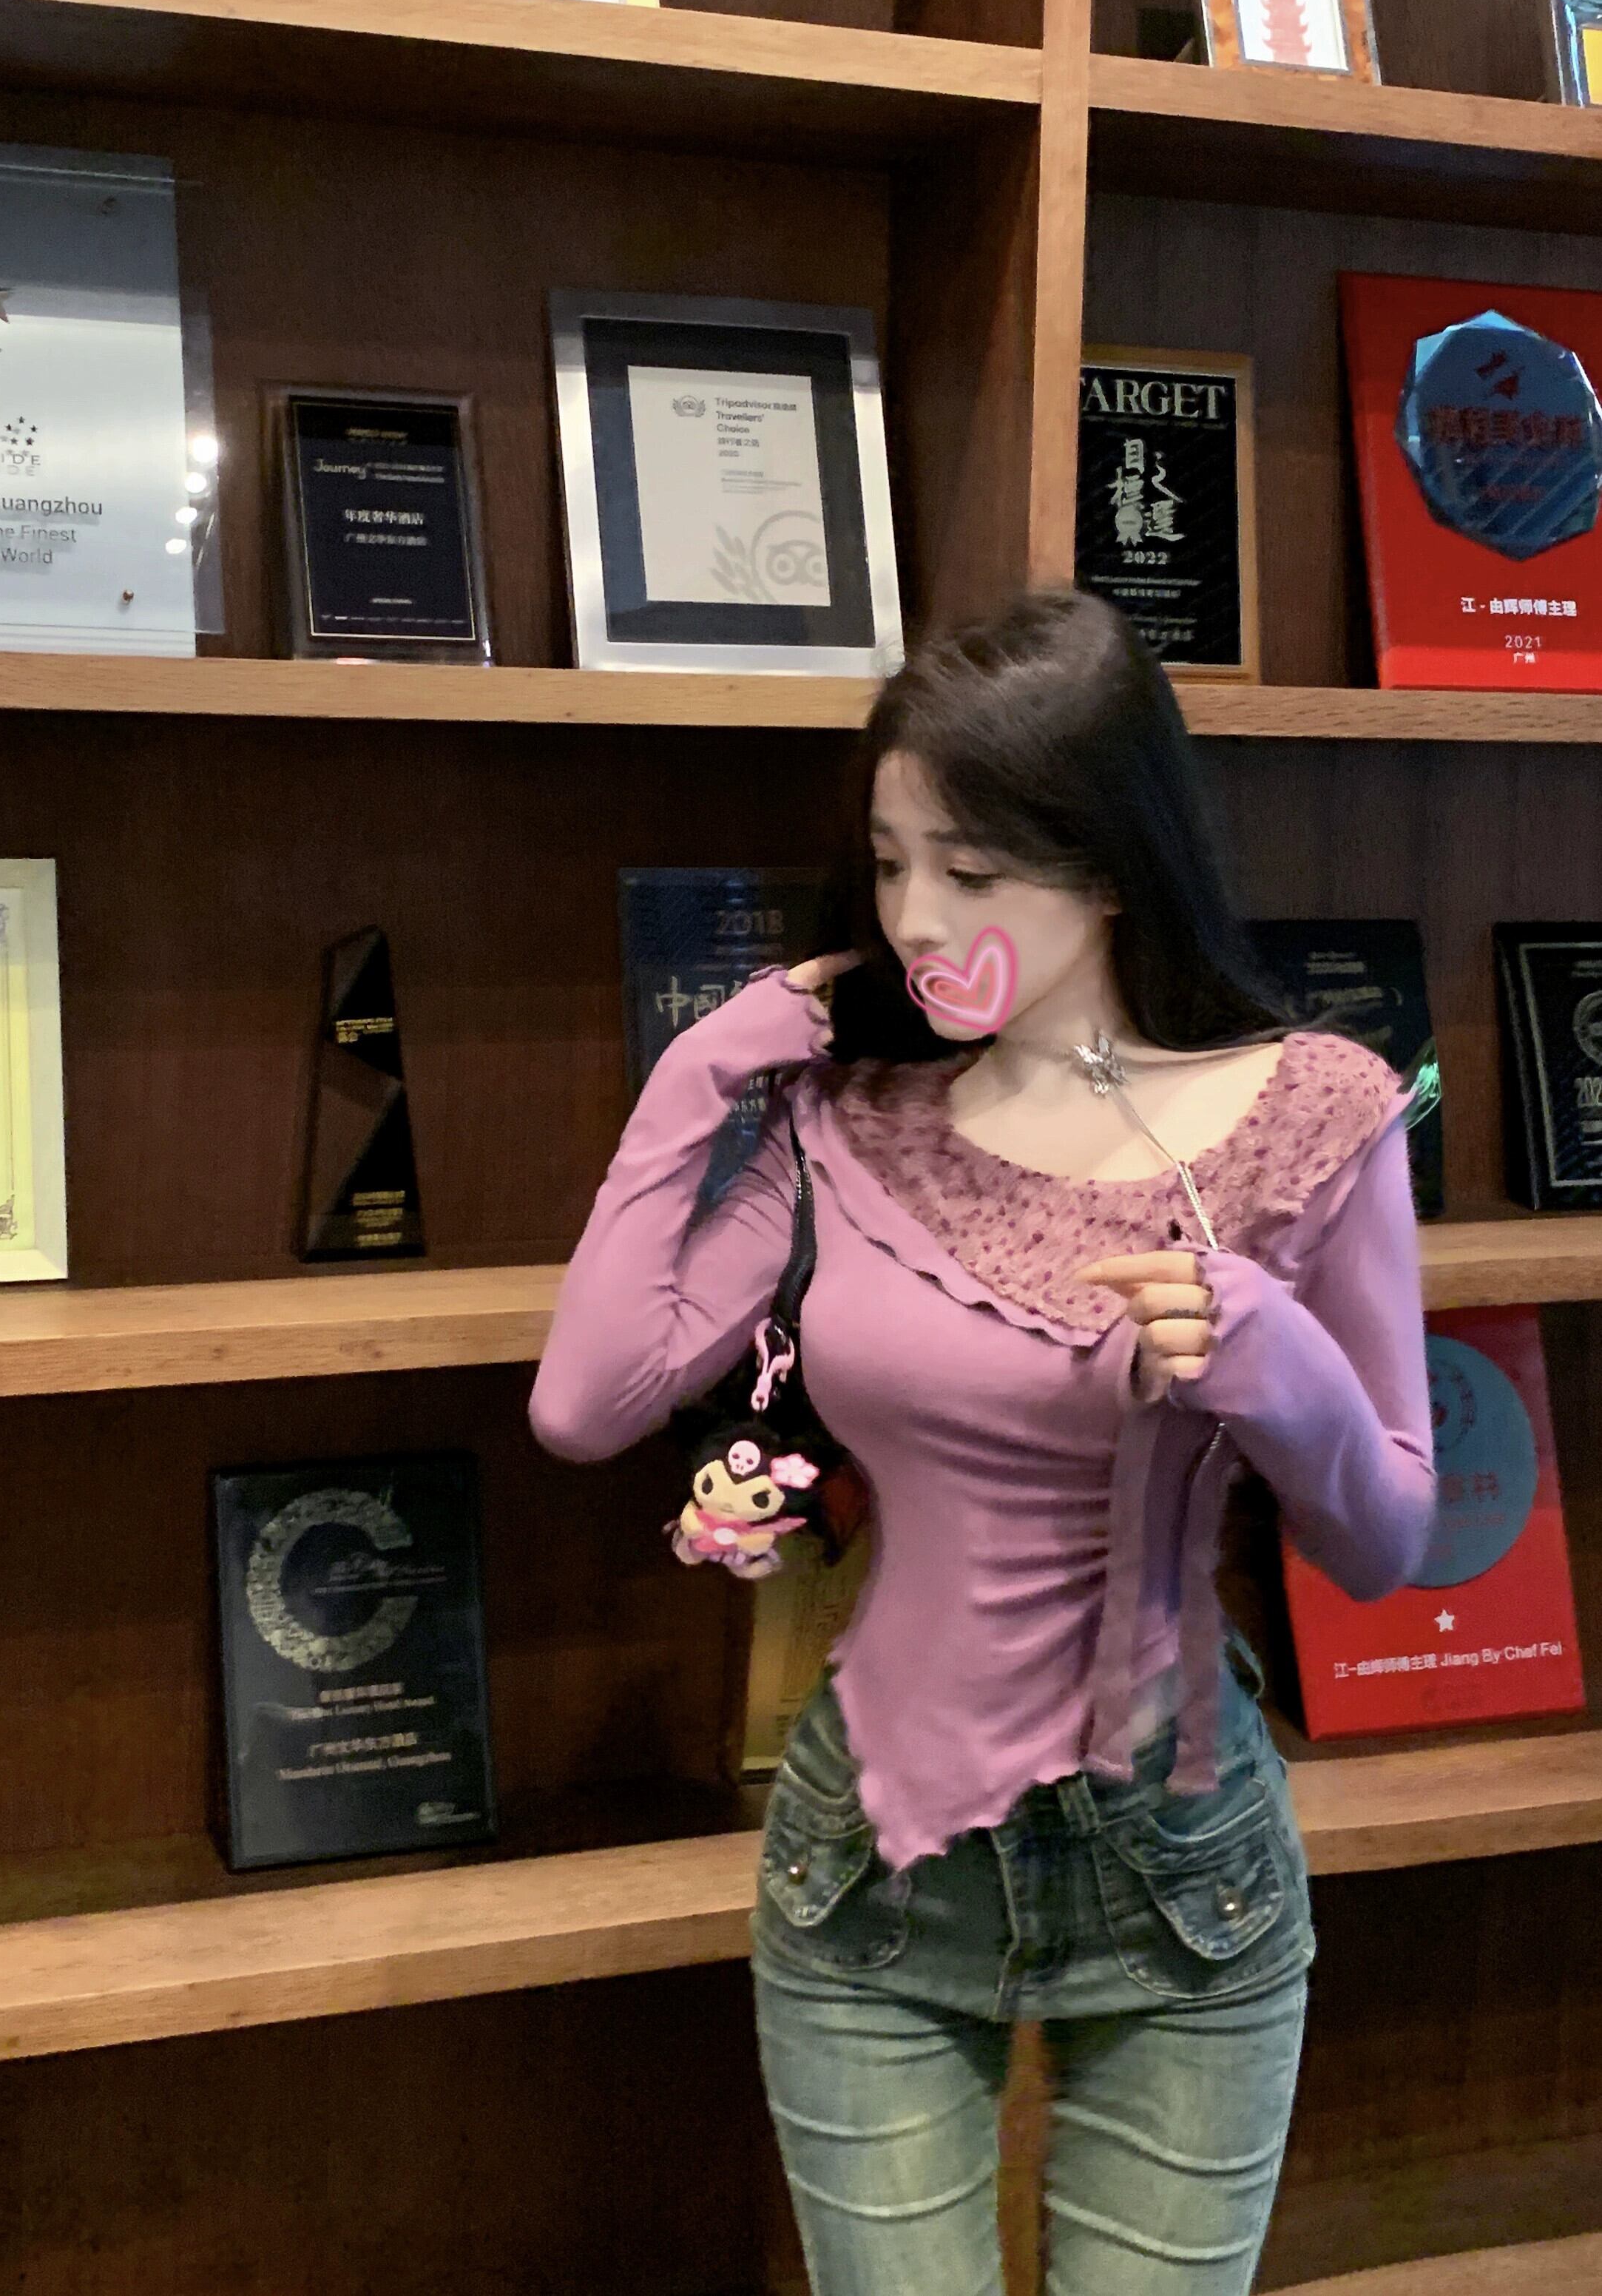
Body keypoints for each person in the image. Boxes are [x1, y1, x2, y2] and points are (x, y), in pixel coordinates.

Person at [528, 591, 1436, 2295]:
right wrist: (698, 1074)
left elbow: (1385, 1539)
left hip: (1183, 1878)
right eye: (888, 866)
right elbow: (586, 1402)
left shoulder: (1310, 1108)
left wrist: (1269, 1351)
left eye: (969, 871)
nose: (913, 921)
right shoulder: (845, 1115)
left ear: (1111, 868)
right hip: (866, 1867)